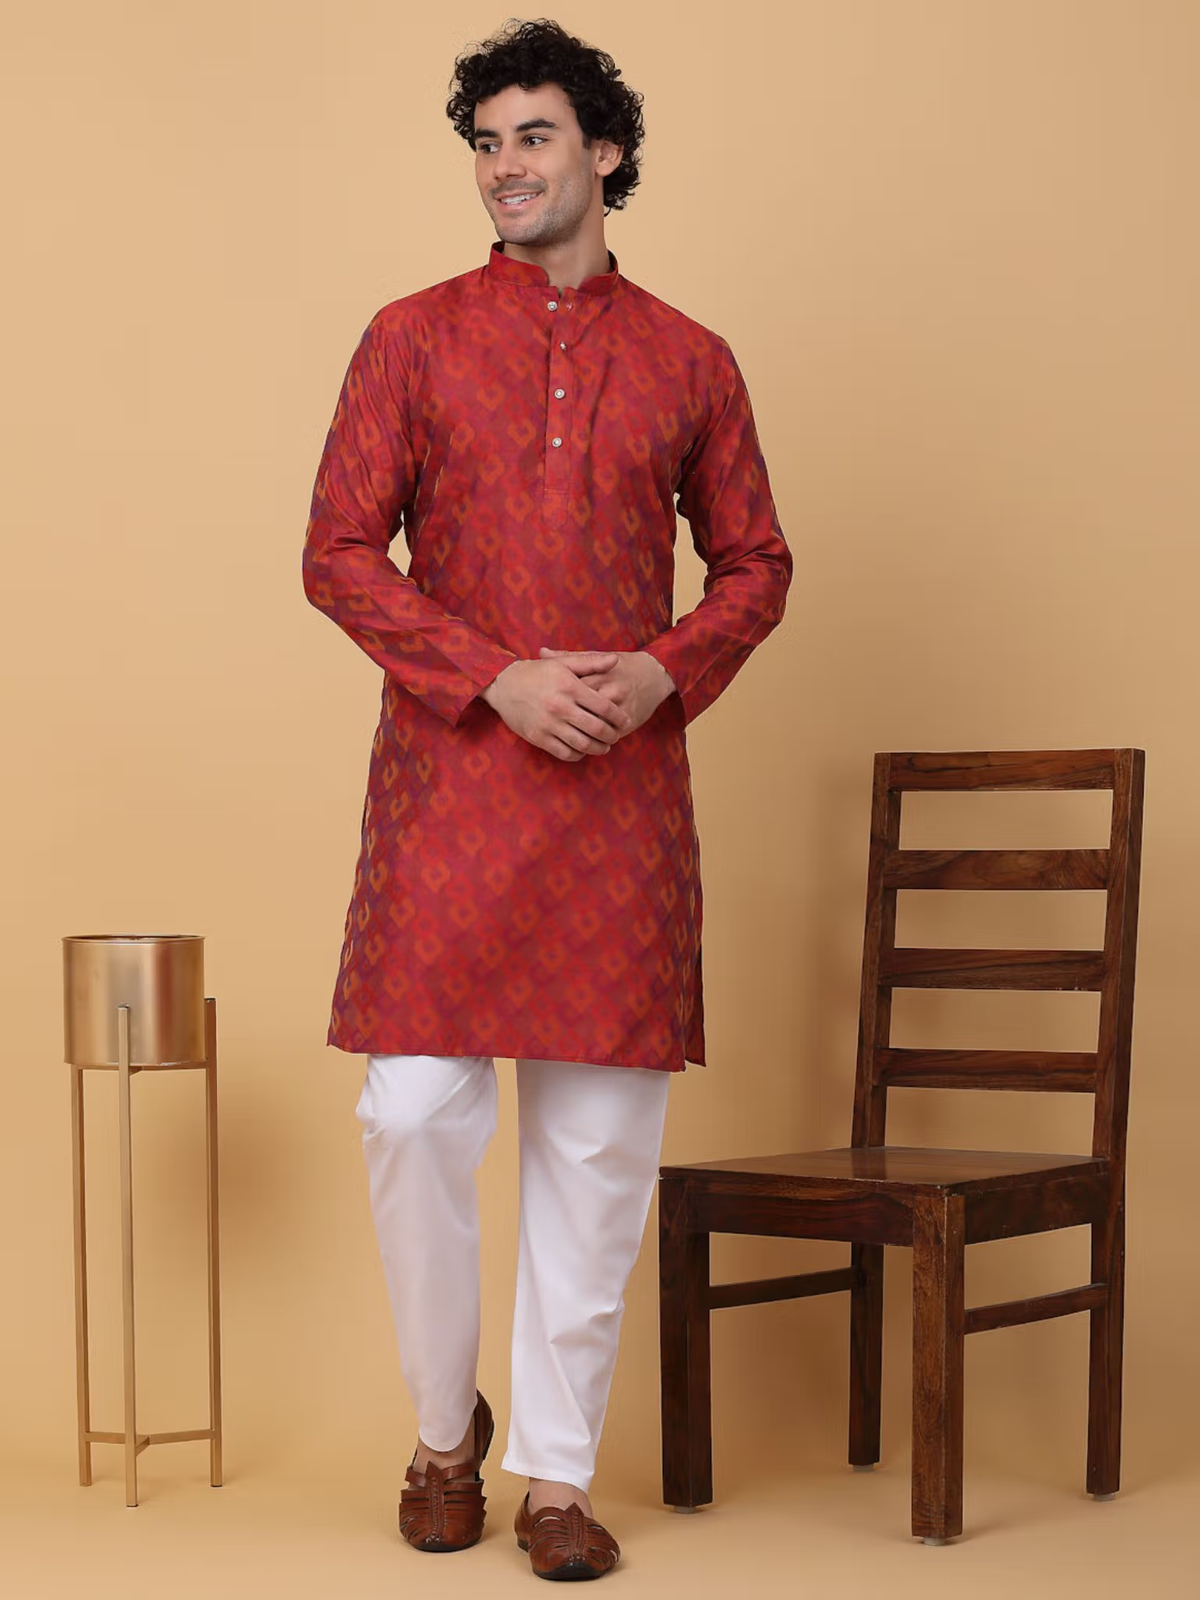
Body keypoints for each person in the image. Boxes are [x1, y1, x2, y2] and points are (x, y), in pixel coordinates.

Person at [302, 16, 792, 1583]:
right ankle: (445, 1431)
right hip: (451, 779)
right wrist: (492, 675)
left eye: (534, 137)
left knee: (595, 1148)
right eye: (488, 142)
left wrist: (664, 670)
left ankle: (556, 1478)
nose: (506, 166)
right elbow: (334, 552)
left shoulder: (689, 358)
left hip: (620, 802)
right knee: (410, 1109)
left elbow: (757, 563)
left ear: (606, 154)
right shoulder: (413, 336)